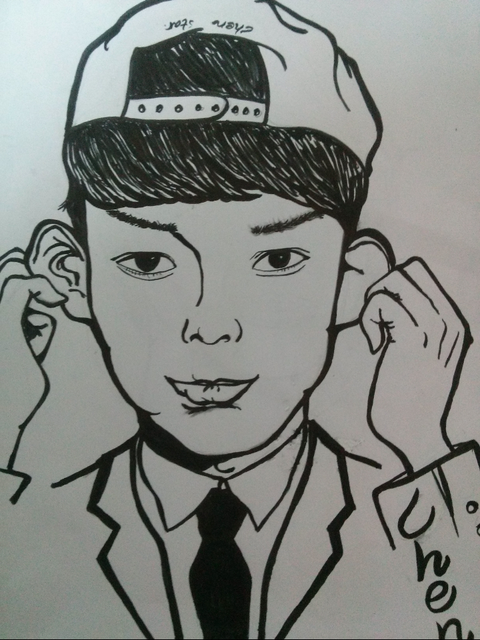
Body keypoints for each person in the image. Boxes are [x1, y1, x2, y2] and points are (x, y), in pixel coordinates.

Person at [1, 1, 478, 638]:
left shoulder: (419, 515)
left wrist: (425, 448)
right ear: (71, 274)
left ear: (352, 280)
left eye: (278, 259)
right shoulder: (27, 518)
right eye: (148, 261)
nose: (211, 326)